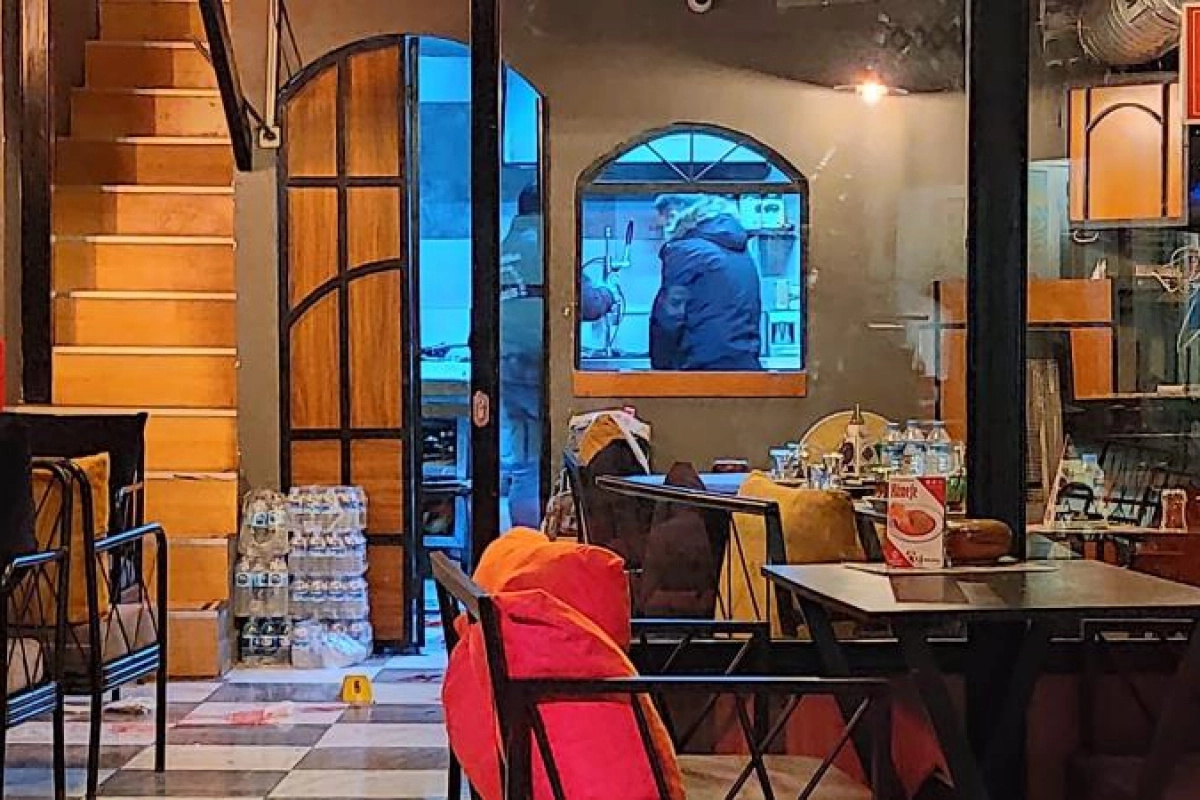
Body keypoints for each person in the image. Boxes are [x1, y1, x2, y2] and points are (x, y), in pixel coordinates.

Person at [500, 184, 617, 528]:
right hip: (538, 364)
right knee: (550, 459)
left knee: (524, 461)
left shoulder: (506, 245)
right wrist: (608, 293)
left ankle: (525, 541)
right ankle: (545, 540)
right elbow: (589, 304)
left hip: (505, 363)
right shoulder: (550, 242)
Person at [649, 194, 763, 371]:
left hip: (702, 370)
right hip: (745, 365)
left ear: (675, 216)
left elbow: (670, 315)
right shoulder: (741, 251)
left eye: (662, 224)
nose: (661, 230)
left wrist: (661, 367)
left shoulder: (685, 250)